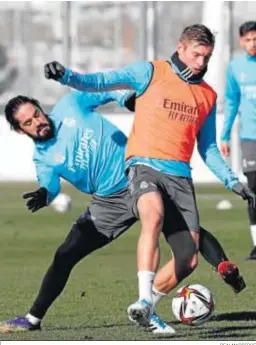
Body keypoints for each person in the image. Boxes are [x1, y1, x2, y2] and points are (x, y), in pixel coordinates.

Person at [43, 23, 256, 328]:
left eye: (207, 57)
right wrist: (67, 76)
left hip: (180, 176)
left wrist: (233, 182)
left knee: (188, 259)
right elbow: (103, 81)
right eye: (197, 55)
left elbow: (207, 147)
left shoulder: (207, 96)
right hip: (144, 166)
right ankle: (143, 296)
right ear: (181, 47)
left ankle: (148, 306)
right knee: (152, 216)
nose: (201, 63)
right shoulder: (150, 72)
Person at [0, 88, 245, 335]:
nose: (38, 122)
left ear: (41, 108)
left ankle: (222, 265)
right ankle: (33, 319)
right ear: (21, 130)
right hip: (108, 203)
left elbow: (104, 94)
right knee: (65, 255)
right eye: (29, 123)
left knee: (183, 230)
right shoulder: (42, 158)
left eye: (37, 114)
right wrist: (45, 193)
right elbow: (50, 183)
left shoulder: (71, 104)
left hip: (140, 176)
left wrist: (125, 99)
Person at [220, 21, 256, 260]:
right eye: (248, 40)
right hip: (250, 137)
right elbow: (231, 102)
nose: (252, 44)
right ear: (241, 40)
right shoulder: (235, 67)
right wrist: (224, 135)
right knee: (253, 190)